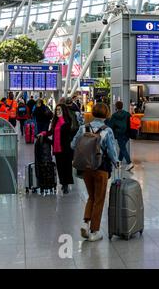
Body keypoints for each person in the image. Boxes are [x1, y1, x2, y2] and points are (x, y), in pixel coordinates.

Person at [71, 103, 118, 242]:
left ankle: (85, 223)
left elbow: (73, 145)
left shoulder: (83, 128)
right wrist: (116, 163)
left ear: (93, 113)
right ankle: (95, 231)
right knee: (99, 199)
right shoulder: (107, 130)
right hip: (101, 167)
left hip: (86, 167)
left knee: (91, 197)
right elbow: (111, 152)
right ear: (107, 114)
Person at [40, 104, 74, 194]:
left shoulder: (67, 121)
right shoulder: (55, 121)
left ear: (63, 111)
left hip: (65, 148)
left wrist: (61, 118)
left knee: (66, 167)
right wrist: (43, 133)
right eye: (56, 110)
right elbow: (51, 132)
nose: (57, 111)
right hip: (57, 148)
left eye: (59, 110)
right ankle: (63, 183)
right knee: (60, 167)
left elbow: (66, 130)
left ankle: (66, 184)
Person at [108, 101, 134, 171]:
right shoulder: (127, 114)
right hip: (127, 134)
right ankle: (118, 163)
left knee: (122, 148)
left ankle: (129, 163)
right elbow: (131, 122)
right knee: (122, 147)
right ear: (122, 106)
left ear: (116, 107)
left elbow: (110, 125)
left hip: (119, 134)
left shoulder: (114, 115)